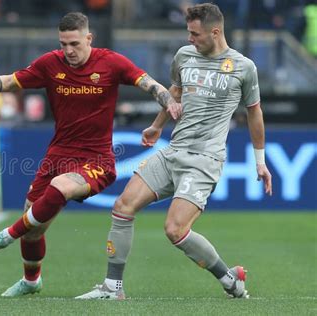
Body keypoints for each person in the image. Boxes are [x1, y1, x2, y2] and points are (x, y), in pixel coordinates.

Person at [0, 12, 181, 297]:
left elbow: (149, 83)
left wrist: (169, 101)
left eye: (74, 43)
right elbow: (13, 81)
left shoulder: (111, 63)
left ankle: (6, 235)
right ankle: (31, 280)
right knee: (33, 225)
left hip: (97, 159)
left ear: (89, 38)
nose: (68, 50)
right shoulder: (50, 64)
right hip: (58, 154)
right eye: (63, 44)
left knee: (59, 188)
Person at [76, 3, 273, 300]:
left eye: (195, 33)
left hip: (204, 160)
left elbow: (255, 113)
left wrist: (261, 161)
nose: (190, 38)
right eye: (189, 32)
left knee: (175, 229)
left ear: (215, 32)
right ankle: (112, 288)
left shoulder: (243, 67)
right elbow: (175, 94)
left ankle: (228, 278)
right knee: (122, 206)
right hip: (173, 151)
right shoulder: (184, 56)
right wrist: (157, 126)